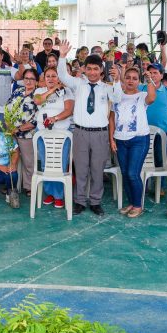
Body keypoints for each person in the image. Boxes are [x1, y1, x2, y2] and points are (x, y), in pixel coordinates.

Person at [56, 39, 122, 216]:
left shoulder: (107, 87)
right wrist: (62, 56)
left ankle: (95, 201)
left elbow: (117, 98)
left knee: (97, 170)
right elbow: (62, 76)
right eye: (89, 68)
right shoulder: (78, 84)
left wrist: (117, 80)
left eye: (96, 69)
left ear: (101, 70)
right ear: (84, 69)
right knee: (81, 168)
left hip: (100, 134)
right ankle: (79, 201)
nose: (92, 72)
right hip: (81, 133)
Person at [110, 66, 156, 218]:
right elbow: (112, 118)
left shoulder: (142, 96)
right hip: (120, 140)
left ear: (139, 81)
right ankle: (131, 203)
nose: (131, 80)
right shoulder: (117, 95)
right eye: (128, 77)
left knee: (132, 173)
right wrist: (111, 139)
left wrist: (149, 80)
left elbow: (152, 98)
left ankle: (138, 205)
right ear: (124, 79)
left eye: (135, 78)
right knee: (125, 173)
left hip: (139, 140)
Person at [33, 66, 75, 208]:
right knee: (45, 163)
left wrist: (55, 118)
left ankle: (58, 195)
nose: (51, 78)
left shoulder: (67, 91)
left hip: (62, 133)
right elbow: (38, 101)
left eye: (54, 76)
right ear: (44, 79)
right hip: (43, 133)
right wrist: (52, 90)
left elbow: (69, 110)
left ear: (59, 78)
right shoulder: (39, 91)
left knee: (60, 164)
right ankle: (50, 193)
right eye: (48, 76)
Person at [8, 68, 39, 197]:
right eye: (26, 78)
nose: (28, 81)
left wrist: (19, 129)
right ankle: (11, 184)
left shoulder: (38, 95)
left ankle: (29, 186)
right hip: (12, 132)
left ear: (36, 81)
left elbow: (36, 120)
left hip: (28, 135)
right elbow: (8, 107)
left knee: (28, 162)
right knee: (11, 159)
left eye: (32, 79)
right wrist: (9, 125)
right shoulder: (18, 91)